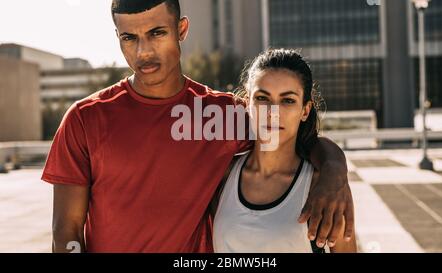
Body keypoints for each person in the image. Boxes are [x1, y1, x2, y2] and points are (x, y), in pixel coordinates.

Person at [42, 0, 354, 253]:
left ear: (182, 29)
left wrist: (334, 170)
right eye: (129, 38)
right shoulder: (85, 118)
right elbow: (65, 231)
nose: (144, 52)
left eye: (157, 33)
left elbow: (290, 133)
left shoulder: (222, 113)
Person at [213, 49, 357, 253]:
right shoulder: (222, 177)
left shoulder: (323, 188)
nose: (273, 112)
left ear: (305, 110)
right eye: (262, 98)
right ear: (247, 103)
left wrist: (335, 168)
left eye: (288, 100)